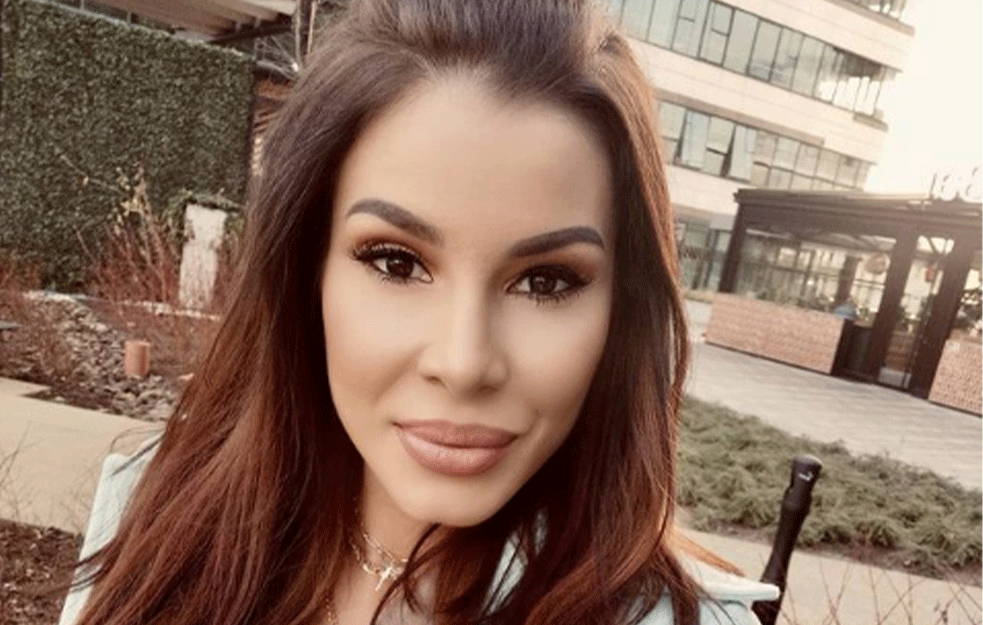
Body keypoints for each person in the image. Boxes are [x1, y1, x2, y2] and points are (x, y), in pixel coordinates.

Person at [60, 0, 779, 624]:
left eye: (546, 281)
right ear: (305, 269)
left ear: (621, 313)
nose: (463, 363)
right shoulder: (156, 515)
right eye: (396, 263)